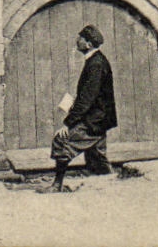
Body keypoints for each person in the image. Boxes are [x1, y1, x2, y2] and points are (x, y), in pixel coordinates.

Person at [43, 24, 117, 192]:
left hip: (94, 120)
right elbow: (88, 95)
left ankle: (57, 185)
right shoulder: (95, 61)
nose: (77, 41)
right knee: (97, 157)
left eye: (80, 38)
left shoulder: (96, 64)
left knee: (61, 141)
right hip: (98, 119)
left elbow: (87, 99)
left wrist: (68, 123)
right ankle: (112, 186)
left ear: (88, 44)